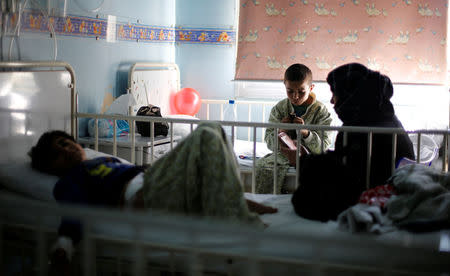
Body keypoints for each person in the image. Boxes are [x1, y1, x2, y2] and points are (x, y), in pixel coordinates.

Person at [29, 122, 277, 272]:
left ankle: (228, 198)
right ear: (51, 168)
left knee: (214, 129)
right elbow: (73, 211)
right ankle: (230, 208)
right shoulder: (70, 180)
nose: (65, 148)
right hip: (144, 193)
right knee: (205, 135)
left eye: (64, 142)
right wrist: (64, 247)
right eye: (56, 153)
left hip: (153, 178)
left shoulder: (102, 160)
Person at [290, 63, 415, 222]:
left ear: (349, 94)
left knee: (305, 195)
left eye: (335, 93)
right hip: (389, 195)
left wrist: (304, 162)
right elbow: (349, 161)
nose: (332, 101)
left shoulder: (362, 127)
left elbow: (346, 177)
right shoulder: (383, 116)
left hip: (373, 200)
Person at [255, 63, 333, 194]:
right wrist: (281, 131)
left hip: (310, 156)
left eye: (301, 92)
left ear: (311, 88)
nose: (295, 96)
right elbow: (269, 143)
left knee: (322, 171)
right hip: (282, 156)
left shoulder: (321, 111)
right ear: (285, 86)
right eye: (290, 91)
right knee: (263, 168)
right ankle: (270, 204)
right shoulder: (280, 108)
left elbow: (323, 147)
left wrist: (305, 132)